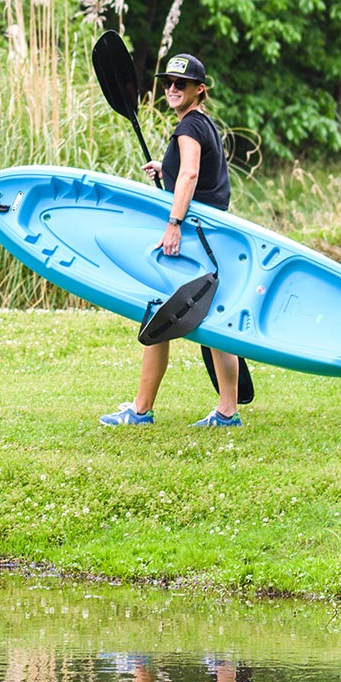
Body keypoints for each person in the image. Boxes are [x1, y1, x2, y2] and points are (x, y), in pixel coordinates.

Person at [99, 52, 243, 428]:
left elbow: (192, 176)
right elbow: (200, 173)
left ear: (200, 89)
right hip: (213, 235)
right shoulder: (203, 125)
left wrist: (173, 222)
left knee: (157, 317)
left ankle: (140, 411)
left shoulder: (188, 128)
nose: (173, 89)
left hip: (193, 234)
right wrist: (168, 168)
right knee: (213, 322)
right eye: (168, 83)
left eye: (182, 84)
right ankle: (228, 411)